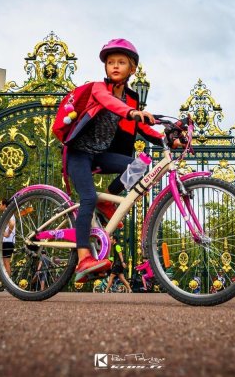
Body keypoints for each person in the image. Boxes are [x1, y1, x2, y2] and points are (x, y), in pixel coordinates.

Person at [66, 38, 183, 283]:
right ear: (105, 67)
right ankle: (84, 256)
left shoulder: (130, 98)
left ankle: (107, 201)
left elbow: (138, 126)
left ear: (132, 69)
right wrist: (131, 112)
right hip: (78, 153)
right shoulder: (99, 88)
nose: (115, 66)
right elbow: (112, 104)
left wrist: (168, 139)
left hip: (99, 154)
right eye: (111, 62)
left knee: (140, 164)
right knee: (87, 197)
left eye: (121, 62)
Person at [0, 198, 15, 276]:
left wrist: (8, 233)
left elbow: (12, 224)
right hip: (8, 242)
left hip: (7, 242)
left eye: (0, 204)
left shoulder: (8, 213)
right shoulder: (8, 213)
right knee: (5, 263)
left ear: (4, 205)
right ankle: (7, 283)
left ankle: (8, 283)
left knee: (6, 263)